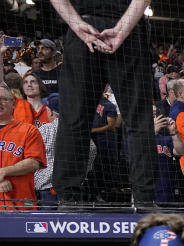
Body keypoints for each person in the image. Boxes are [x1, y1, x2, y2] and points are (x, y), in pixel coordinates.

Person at [50, 0, 156, 210]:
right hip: (126, 28)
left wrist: (76, 24)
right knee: (138, 120)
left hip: (83, 26)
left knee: (74, 119)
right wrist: (121, 30)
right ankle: (144, 200)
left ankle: (69, 199)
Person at [0, 83, 46, 211]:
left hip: (20, 203)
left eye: (4, 99)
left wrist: (3, 172)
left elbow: (34, 163)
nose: (0, 103)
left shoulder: (29, 130)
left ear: (13, 104)